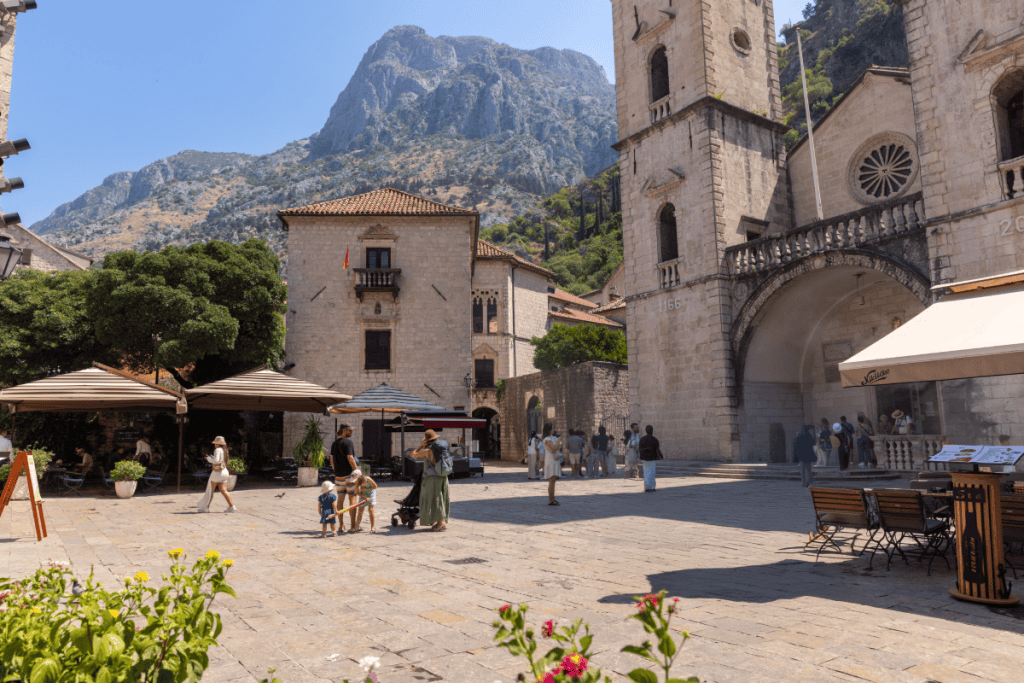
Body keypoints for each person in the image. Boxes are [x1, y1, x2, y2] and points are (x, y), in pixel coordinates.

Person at [410, 429, 452, 531]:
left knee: (434, 498)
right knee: (442, 497)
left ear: (427, 441)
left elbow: (413, 454)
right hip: (443, 476)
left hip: (432, 478)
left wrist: (421, 446)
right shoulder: (442, 449)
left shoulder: (428, 451)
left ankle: (441, 522)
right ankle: (440, 521)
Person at [198, 436, 237, 513]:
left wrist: (209, 459)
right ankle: (232, 507)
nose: (214, 444)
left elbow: (216, 461)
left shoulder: (217, 449)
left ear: (218, 443)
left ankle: (206, 508)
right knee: (224, 491)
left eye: (215, 442)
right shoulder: (225, 450)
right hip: (224, 472)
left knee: (210, 490)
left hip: (217, 473)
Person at [330, 425, 358, 531]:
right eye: (350, 430)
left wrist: (336, 470)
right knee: (352, 499)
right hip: (349, 476)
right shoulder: (348, 442)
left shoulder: (334, 443)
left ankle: (341, 525)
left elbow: (331, 460)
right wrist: (357, 471)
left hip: (338, 477)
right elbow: (350, 457)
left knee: (340, 500)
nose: (351, 432)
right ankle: (353, 526)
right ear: (344, 430)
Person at [541, 423, 563, 505]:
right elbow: (554, 448)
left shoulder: (552, 438)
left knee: (553, 480)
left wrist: (558, 443)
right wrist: (558, 441)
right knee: (551, 480)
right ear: (549, 430)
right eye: (552, 428)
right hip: (550, 460)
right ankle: (550, 499)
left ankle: (552, 498)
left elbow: (559, 447)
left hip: (554, 460)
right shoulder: (547, 439)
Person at [638, 425, 661, 492]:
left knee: (646, 472)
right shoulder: (654, 439)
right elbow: (657, 448)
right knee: (652, 472)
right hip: (652, 457)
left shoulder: (642, 439)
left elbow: (640, 448)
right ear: (652, 431)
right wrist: (660, 456)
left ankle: (647, 487)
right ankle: (652, 487)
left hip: (645, 458)